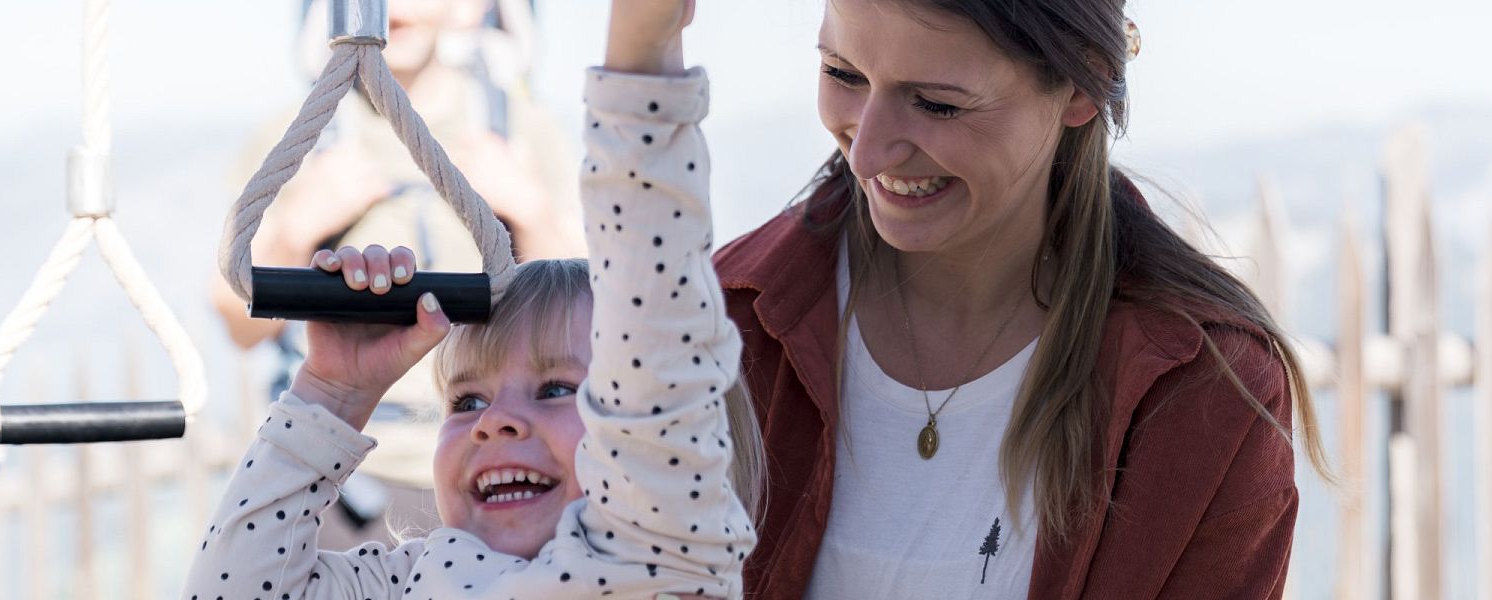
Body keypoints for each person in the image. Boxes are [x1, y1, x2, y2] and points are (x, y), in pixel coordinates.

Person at [665, 0, 1332, 596]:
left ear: (1081, 82)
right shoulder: (727, 325)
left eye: (936, 103)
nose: (865, 153)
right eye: (843, 74)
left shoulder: (1205, 394)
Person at [182, 1, 762, 592]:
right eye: (466, 402)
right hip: (358, 475)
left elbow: (631, 295)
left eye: (557, 390)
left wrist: (642, 41)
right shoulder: (423, 575)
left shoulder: (656, 552)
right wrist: (333, 392)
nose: (494, 422)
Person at [207, 0, 586, 537]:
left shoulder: (524, 131)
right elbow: (235, 321)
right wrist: (297, 227)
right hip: (348, 480)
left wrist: (529, 210)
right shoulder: (299, 137)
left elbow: (589, 311)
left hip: (497, 467)